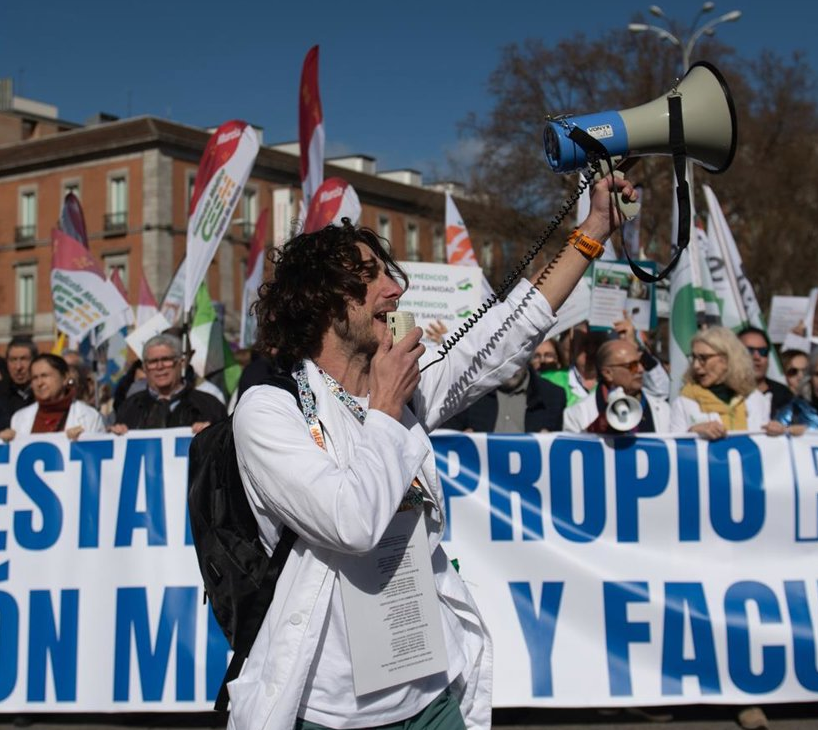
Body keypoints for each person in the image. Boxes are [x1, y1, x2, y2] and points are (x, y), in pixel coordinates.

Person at [229, 175, 634, 730]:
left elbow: (510, 328)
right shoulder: (269, 409)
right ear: (320, 301)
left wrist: (594, 229)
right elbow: (351, 523)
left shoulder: (405, 388)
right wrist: (386, 406)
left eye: (389, 274)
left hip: (429, 691)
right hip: (331, 708)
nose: (394, 290)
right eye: (369, 278)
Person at [563, 337, 687, 434]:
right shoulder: (577, 414)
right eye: (632, 366)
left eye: (641, 363)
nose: (641, 369)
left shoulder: (663, 410)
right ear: (608, 373)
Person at [112, 335, 226, 433]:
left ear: (181, 363)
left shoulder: (210, 406)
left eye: (166, 360)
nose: (160, 367)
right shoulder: (129, 408)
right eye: (153, 362)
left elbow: (227, 446)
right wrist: (115, 435)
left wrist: (211, 435)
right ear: (145, 368)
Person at [438, 349, 568, 433]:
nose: (510, 369)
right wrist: (461, 441)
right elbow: (444, 440)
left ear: (528, 355)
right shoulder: (468, 392)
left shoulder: (553, 397)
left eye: (516, 359)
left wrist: (549, 444)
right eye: (503, 360)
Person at [675, 327, 764, 438]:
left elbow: (766, 444)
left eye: (703, 358)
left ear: (726, 359)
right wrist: (693, 433)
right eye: (694, 358)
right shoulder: (684, 402)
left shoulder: (754, 398)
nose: (696, 365)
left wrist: (778, 433)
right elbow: (672, 444)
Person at [10, 353, 106, 438]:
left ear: (65, 378)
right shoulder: (19, 418)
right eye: (35, 378)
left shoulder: (90, 417)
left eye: (45, 376)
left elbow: (98, 450)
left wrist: (81, 442)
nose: (39, 383)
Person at [737, 326, 794, 419]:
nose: (757, 357)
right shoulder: (726, 393)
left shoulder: (783, 395)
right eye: (749, 351)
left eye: (763, 351)